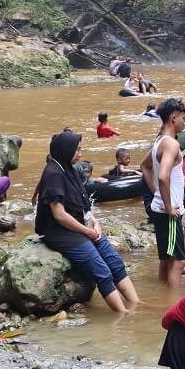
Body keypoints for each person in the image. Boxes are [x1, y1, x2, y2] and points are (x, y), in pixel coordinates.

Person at [34, 130, 139, 314]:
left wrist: (95, 224)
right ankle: (122, 313)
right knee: (101, 270)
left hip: (80, 225)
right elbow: (58, 214)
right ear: (66, 151)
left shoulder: (71, 170)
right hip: (60, 231)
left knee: (114, 262)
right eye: (78, 150)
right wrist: (87, 231)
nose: (81, 154)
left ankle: (136, 303)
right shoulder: (54, 174)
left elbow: (83, 204)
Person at [150, 97, 185, 284]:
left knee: (167, 258)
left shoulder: (159, 140)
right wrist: (168, 206)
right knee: (179, 261)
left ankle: (162, 297)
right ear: (174, 117)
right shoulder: (171, 144)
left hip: (161, 207)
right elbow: (163, 176)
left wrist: (156, 194)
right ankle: (174, 304)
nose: (184, 121)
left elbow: (145, 167)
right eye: (183, 117)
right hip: (169, 212)